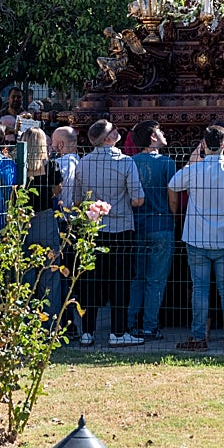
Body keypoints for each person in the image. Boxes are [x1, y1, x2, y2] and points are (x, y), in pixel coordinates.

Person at [169, 124, 224, 351]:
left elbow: (173, 184)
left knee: (200, 288)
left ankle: (198, 336)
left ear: (203, 144)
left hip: (197, 236)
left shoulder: (194, 170)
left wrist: (193, 159)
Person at [73, 119, 145, 347]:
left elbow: (77, 200)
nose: (117, 131)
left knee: (91, 281)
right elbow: (138, 199)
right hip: (121, 228)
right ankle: (118, 332)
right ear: (109, 138)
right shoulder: (126, 162)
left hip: (93, 229)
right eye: (113, 130)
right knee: (120, 282)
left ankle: (87, 331)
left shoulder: (83, 164)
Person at [127, 120, 177, 340]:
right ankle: (150, 325)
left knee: (138, 277)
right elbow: (172, 197)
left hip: (137, 224)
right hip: (161, 224)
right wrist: (174, 216)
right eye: (160, 131)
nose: (164, 133)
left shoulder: (131, 162)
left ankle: (130, 323)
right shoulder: (167, 163)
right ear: (153, 137)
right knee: (156, 279)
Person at [19, 126, 62, 323]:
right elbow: (57, 190)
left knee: (25, 275)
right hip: (45, 219)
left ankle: (26, 323)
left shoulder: (18, 165)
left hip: (23, 220)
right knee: (50, 274)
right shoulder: (51, 165)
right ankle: (50, 324)